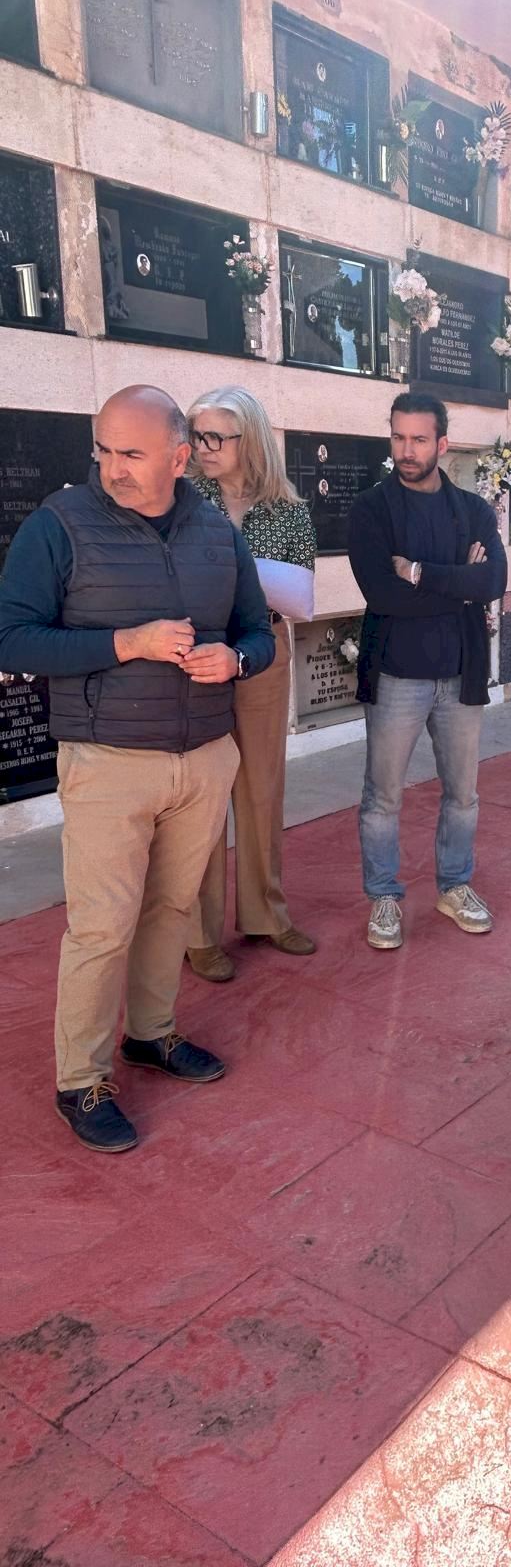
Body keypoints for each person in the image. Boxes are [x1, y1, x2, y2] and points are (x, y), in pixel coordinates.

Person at [0, 385, 274, 1153]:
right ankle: (80, 1081)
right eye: (103, 449)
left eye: (131, 453)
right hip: (108, 762)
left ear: (180, 458)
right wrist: (128, 643)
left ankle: (151, 1034)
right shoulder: (58, 525)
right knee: (101, 927)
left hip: (204, 757)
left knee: (172, 908)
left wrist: (237, 659)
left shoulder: (217, 533)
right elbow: (11, 639)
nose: (111, 467)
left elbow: (258, 631)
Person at [348, 392, 507, 950]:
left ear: (442, 444)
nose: (406, 450)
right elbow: (383, 595)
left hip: (460, 675)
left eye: (418, 439)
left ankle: (454, 885)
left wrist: (419, 572)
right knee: (383, 796)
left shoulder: (473, 511)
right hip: (396, 676)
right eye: (398, 437)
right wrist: (458, 583)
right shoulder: (371, 510)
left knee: (463, 794)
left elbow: (493, 583)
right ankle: (384, 896)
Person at [183, 387, 318, 982]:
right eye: (198, 435)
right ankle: (197, 932)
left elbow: (301, 595)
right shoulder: (183, 499)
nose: (203, 447)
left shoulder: (288, 510)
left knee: (262, 788)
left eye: (216, 436)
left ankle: (266, 914)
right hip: (196, 656)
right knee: (203, 794)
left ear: (251, 440)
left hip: (263, 651)